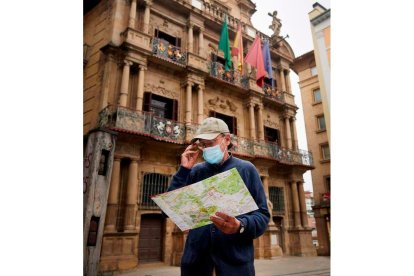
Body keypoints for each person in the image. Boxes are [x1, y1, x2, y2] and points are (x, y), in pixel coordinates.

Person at [167, 117, 270, 276]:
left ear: (227, 139)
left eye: (210, 143)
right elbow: (167, 210)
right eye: (203, 144)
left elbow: (262, 216)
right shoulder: (195, 171)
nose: (206, 149)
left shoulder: (246, 169)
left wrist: (240, 225)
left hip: (235, 266)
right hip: (195, 265)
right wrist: (183, 170)